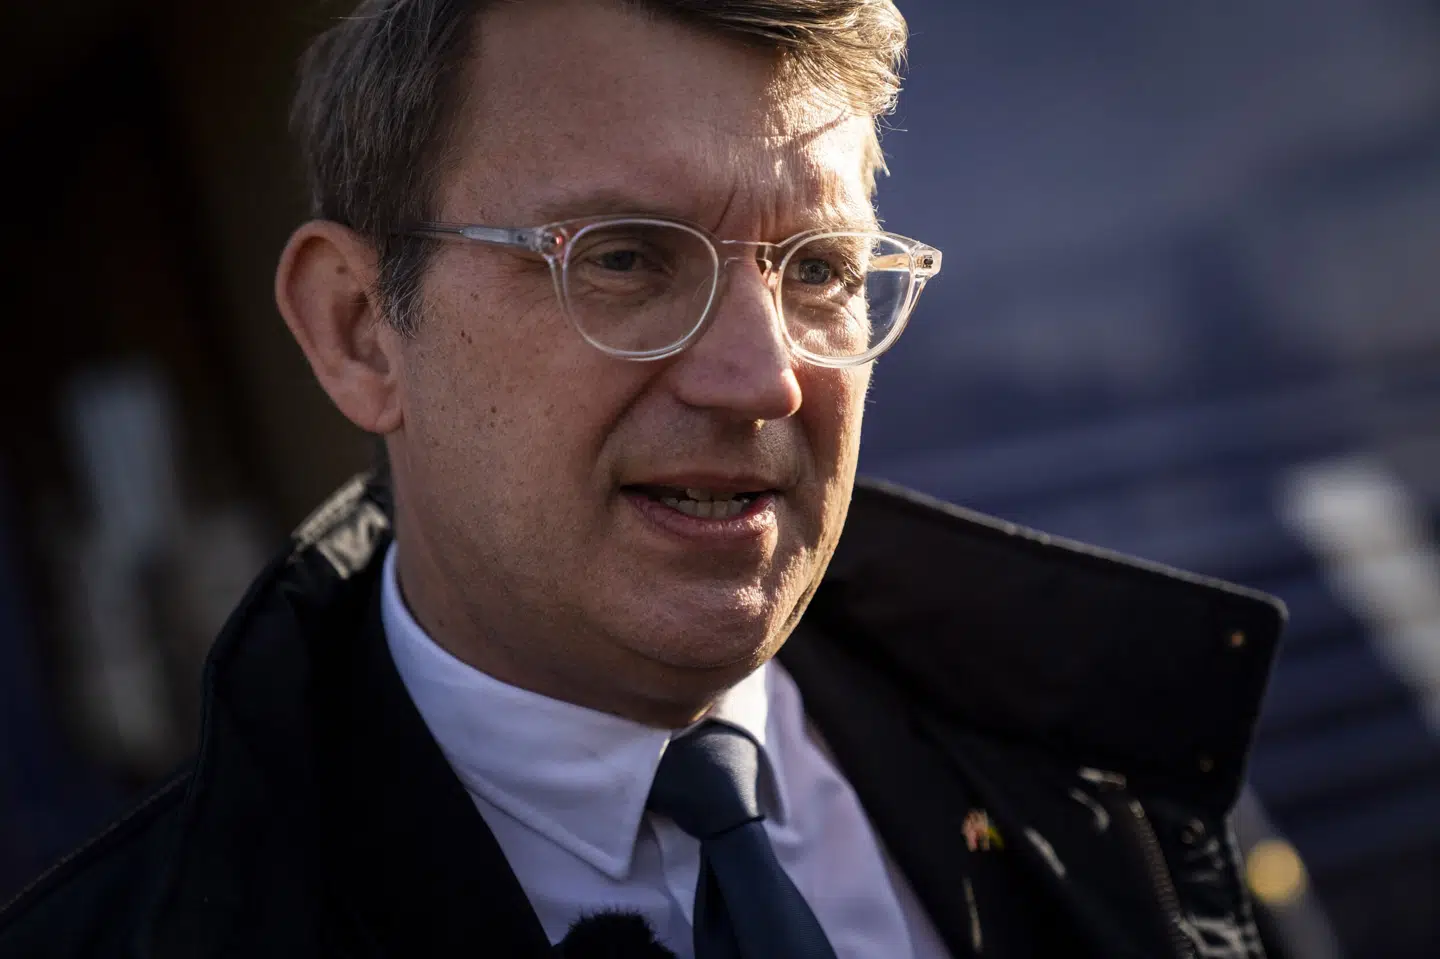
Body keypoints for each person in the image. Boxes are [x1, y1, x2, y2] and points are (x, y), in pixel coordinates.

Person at [0, 1, 1288, 956]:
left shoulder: (1108, 783)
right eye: (622, 258)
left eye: (821, 271)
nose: (762, 379)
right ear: (359, 330)